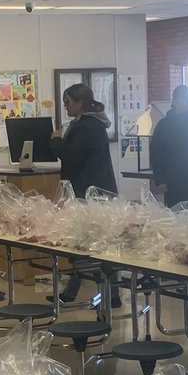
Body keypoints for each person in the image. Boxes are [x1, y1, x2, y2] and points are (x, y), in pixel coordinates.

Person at [49, 83, 119, 304]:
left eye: (68, 103)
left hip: (92, 193)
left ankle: (113, 294)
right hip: (87, 191)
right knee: (81, 241)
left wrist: (56, 140)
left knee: (99, 243)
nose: (66, 107)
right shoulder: (85, 124)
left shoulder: (89, 127)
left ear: (80, 103)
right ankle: (72, 290)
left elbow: (72, 156)